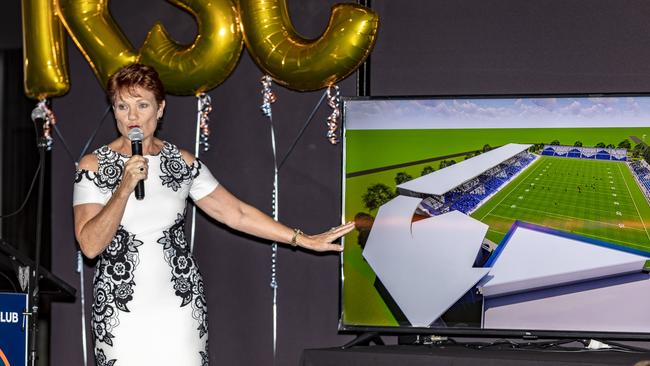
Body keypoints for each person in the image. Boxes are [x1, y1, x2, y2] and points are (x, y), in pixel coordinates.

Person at [72, 63, 354, 365]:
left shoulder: (180, 162)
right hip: (120, 310)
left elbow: (237, 213)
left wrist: (303, 239)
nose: (132, 117)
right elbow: (89, 245)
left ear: (160, 109)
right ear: (113, 110)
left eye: (142, 105)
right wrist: (124, 189)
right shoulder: (94, 166)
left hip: (179, 305)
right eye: (122, 106)